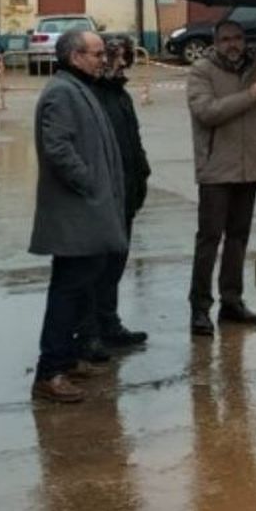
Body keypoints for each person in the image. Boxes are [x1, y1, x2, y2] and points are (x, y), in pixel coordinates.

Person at [29, 29, 127, 403]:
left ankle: (66, 358)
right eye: (97, 53)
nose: (103, 58)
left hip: (87, 209)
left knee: (80, 285)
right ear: (75, 57)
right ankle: (50, 371)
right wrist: (90, 184)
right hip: (76, 211)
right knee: (67, 291)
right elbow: (58, 147)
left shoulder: (79, 88)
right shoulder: (61, 92)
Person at [186, 17, 256, 336]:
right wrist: (250, 95)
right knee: (209, 239)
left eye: (238, 38)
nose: (233, 44)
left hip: (250, 166)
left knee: (239, 238)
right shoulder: (201, 70)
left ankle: (232, 301)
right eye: (227, 38)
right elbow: (207, 112)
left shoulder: (255, 66)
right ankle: (200, 308)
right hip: (217, 168)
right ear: (216, 42)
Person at [87, 34, 151, 350]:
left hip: (127, 190)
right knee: (97, 266)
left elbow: (133, 139)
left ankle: (109, 324)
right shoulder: (89, 94)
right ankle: (90, 332)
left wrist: (142, 174)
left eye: (125, 58)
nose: (119, 63)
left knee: (116, 262)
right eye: (113, 57)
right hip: (102, 195)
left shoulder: (120, 95)